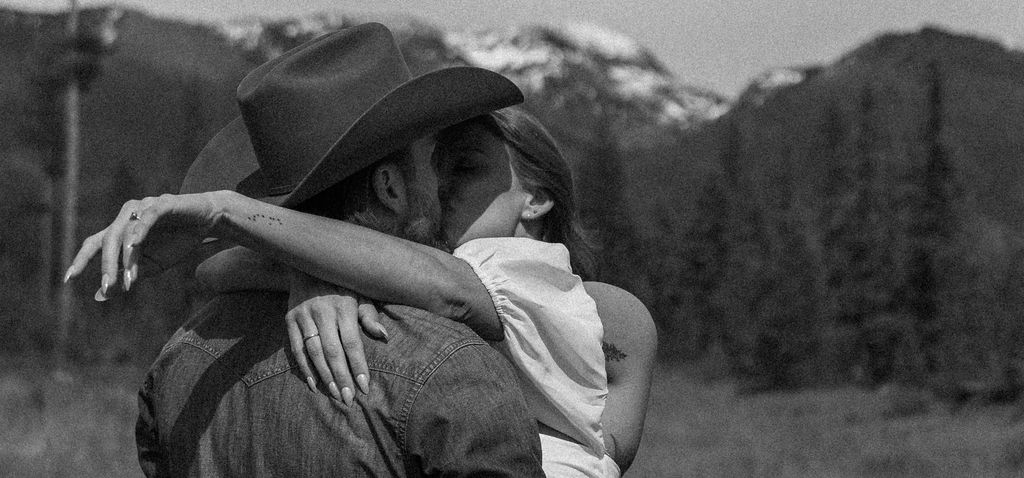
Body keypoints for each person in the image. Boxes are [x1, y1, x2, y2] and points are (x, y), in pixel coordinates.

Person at [70, 29, 656, 478]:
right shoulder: (447, 366)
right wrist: (309, 272)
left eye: (463, 167)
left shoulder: (181, 363)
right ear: (391, 188)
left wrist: (256, 234)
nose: (445, 185)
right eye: (437, 165)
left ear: (539, 199)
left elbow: (447, 287)